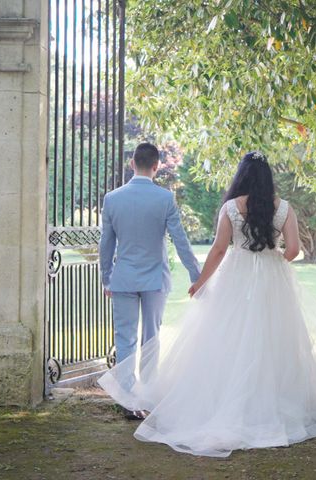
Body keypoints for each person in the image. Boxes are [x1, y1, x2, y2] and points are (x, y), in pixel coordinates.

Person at [98, 150, 316, 457]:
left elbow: (217, 250)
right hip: (272, 278)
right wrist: (273, 260)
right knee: (274, 337)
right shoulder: (284, 209)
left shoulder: (230, 208)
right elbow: (293, 249)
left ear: (241, 176)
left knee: (227, 336)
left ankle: (213, 400)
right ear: (268, 177)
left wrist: (200, 282)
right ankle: (272, 402)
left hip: (235, 277)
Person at [99, 142, 201, 420]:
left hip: (123, 279)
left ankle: (129, 401)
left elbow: (105, 245)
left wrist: (106, 278)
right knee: (151, 338)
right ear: (156, 167)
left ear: (132, 164)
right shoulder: (164, 199)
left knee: (125, 338)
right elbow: (180, 241)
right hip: (155, 278)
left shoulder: (112, 199)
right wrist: (197, 275)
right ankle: (148, 394)